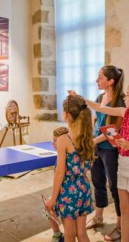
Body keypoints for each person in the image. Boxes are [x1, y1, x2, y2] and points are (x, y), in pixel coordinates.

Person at [69, 81, 129, 242]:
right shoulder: (124, 112)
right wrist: (80, 98)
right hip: (123, 167)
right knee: (125, 210)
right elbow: (100, 108)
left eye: (128, 95)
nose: (125, 97)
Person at [45, 96, 94, 242]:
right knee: (82, 233)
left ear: (66, 113)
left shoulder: (63, 140)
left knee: (69, 235)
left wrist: (53, 198)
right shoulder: (88, 138)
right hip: (84, 188)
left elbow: (60, 172)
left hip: (68, 191)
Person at [86, 66, 124, 242]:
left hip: (110, 150)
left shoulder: (120, 101)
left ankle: (120, 226)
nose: (96, 80)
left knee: (115, 187)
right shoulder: (100, 97)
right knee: (98, 182)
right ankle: (98, 217)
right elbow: (97, 121)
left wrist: (93, 141)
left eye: (100, 77)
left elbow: (114, 129)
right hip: (97, 147)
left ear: (111, 81)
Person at [43, 126, 69, 242]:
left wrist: (54, 197)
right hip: (61, 191)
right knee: (48, 207)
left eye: (55, 141)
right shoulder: (60, 155)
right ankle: (57, 234)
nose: (53, 143)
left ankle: (60, 235)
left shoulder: (64, 157)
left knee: (50, 206)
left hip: (65, 193)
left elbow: (60, 175)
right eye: (52, 140)